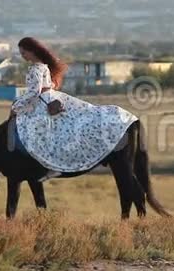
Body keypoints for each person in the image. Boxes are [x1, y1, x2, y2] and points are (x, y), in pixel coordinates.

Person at [11, 37, 138, 182]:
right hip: (51, 99)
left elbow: (34, 92)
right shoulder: (43, 66)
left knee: (39, 134)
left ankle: (50, 166)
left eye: (24, 53)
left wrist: (16, 106)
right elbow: (49, 85)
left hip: (43, 102)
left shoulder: (35, 69)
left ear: (32, 50)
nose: (23, 57)